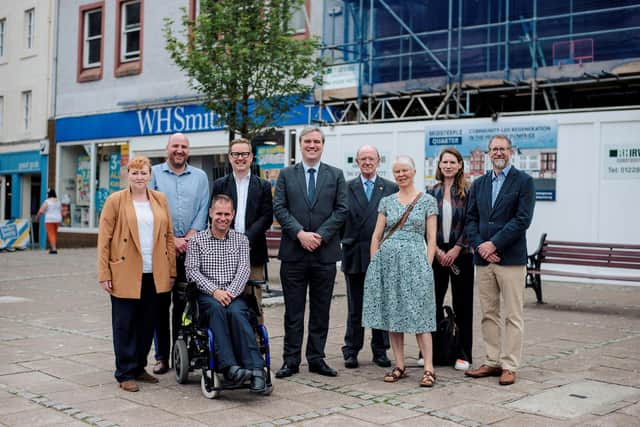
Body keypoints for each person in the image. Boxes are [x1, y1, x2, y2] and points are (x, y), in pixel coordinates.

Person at [273, 126, 348, 378]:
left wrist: (321, 236)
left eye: (317, 141)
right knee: (293, 312)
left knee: (320, 310)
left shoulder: (336, 175)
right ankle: (290, 360)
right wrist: (300, 234)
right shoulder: (286, 174)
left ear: (322, 145)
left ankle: (316, 358)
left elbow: (341, 210)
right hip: (294, 254)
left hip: (324, 254)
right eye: (308, 141)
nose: (312, 145)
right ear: (300, 145)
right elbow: (280, 208)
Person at [97, 156, 176, 392]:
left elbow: (169, 237)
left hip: (155, 271)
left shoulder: (160, 199)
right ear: (128, 175)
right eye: (134, 172)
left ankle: (139, 366)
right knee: (125, 324)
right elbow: (104, 239)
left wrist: (171, 270)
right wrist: (104, 273)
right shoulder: (115, 201)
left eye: (143, 173)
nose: (139, 177)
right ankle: (124, 372)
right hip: (125, 271)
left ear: (150, 175)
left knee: (147, 324)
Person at [464, 134, 536, 386]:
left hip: (511, 259)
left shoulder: (524, 182)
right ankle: (492, 361)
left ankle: (509, 364)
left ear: (511, 152)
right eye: (494, 149)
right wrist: (479, 246)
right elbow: (470, 219)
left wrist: (493, 243)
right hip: (484, 261)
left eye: (502, 149)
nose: (498, 153)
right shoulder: (479, 183)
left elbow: (522, 219)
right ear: (488, 153)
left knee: (513, 315)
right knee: (488, 314)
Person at [362, 155, 439, 387]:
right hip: (388, 264)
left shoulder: (427, 201)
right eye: (397, 171)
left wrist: (427, 266)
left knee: (421, 316)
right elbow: (376, 235)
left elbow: (432, 237)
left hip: (416, 263)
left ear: (414, 172)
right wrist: (375, 263)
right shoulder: (386, 201)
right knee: (393, 315)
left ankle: (428, 368)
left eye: (405, 170)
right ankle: (400, 364)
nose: (401, 174)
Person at [185, 194, 268, 393]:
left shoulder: (240, 240)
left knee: (239, 313)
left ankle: (256, 369)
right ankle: (229, 367)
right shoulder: (197, 240)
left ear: (233, 215)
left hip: (234, 293)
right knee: (216, 311)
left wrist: (229, 293)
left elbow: (243, 271)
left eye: (227, 214)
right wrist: (215, 291)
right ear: (211, 213)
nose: (223, 218)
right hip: (207, 295)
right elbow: (191, 271)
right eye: (219, 213)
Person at [149, 132, 210, 375]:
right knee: (160, 306)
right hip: (163, 250)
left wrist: (191, 235)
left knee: (186, 305)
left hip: (192, 249)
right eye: (175, 145)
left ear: (188, 150)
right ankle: (162, 356)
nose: (179, 150)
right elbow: (151, 209)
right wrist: (171, 239)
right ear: (167, 149)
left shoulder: (200, 177)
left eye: (183, 146)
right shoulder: (154, 174)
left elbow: (205, 206)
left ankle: (181, 351)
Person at [341, 145, 398, 369]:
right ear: (357, 161)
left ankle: (380, 349)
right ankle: (351, 349)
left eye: (371, 158)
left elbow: (395, 222)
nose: (367, 162)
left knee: (381, 304)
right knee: (355, 306)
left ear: (378, 161)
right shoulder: (346, 188)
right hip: (354, 253)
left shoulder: (391, 188)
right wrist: (345, 241)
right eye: (362, 158)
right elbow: (339, 220)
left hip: (381, 255)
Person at [211, 137, 273, 319]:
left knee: (254, 303)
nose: (240, 158)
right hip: (223, 252)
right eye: (236, 154)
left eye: (244, 154)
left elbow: (266, 217)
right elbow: (215, 217)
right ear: (230, 157)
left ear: (251, 157)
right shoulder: (220, 185)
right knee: (226, 301)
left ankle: (255, 344)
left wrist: (245, 240)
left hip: (254, 253)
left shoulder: (263, 186)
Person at [427, 148, 474, 370]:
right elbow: (426, 225)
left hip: (461, 255)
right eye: (444, 162)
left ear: (460, 165)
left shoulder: (468, 191)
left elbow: (472, 223)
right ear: (439, 165)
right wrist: (435, 250)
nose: (448, 165)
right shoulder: (431, 192)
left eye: (452, 162)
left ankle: (463, 354)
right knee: (432, 304)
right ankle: (431, 352)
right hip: (436, 255)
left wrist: (457, 248)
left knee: (463, 305)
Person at [36, 189, 62, 254]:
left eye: (47, 193)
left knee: (51, 234)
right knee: (54, 234)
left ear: (49, 194)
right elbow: (60, 210)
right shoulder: (58, 201)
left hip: (49, 220)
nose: (46, 194)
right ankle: (53, 247)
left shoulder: (47, 201)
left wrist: (37, 217)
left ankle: (54, 249)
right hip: (58, 219)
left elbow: (41, 211)